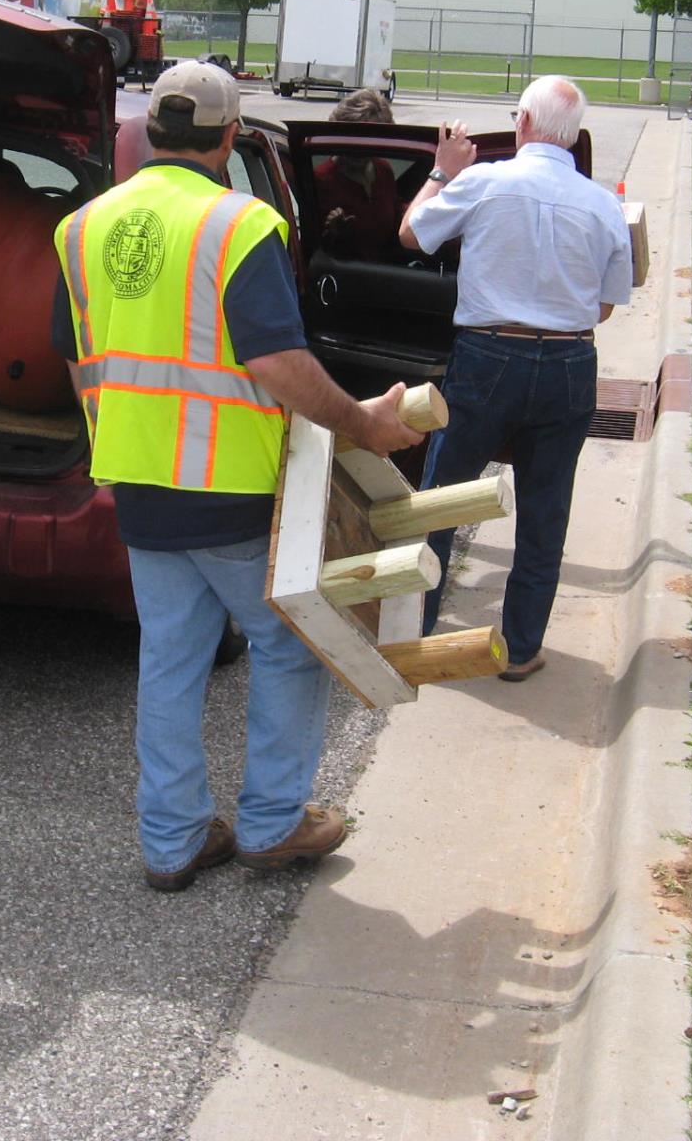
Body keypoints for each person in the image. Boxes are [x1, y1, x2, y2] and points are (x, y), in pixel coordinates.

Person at [52, 61, 424, 892]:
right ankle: (272, 824)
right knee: (289, 649)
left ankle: (173, 841)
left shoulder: (80, 229)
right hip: (230, 488)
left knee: (171, 659)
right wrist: (367, 425)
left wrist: (110, 451)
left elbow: (81, 360)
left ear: (150, 134)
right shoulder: (240, 225)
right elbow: (276, 361)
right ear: (228, 140)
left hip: (141, 487)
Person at [398, 75, 631, 682]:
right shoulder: (604, 204)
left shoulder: (482, 181)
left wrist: (441, 171)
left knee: (441, 495)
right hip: (571, 363)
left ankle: (416, 631)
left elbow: (411, 235)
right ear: (575, 134)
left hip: (488, 355)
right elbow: (605, 306)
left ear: (522, 122)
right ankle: (522, 647)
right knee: (545, 508)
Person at [311, 88, 401, 261]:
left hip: (386, 276)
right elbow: (312, 249)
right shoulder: (321, 179)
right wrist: (333, 232)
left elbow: (397, 222)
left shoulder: (384, 171)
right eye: (352, 138)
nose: (359, 149)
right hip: (343, 278)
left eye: (369, 140)